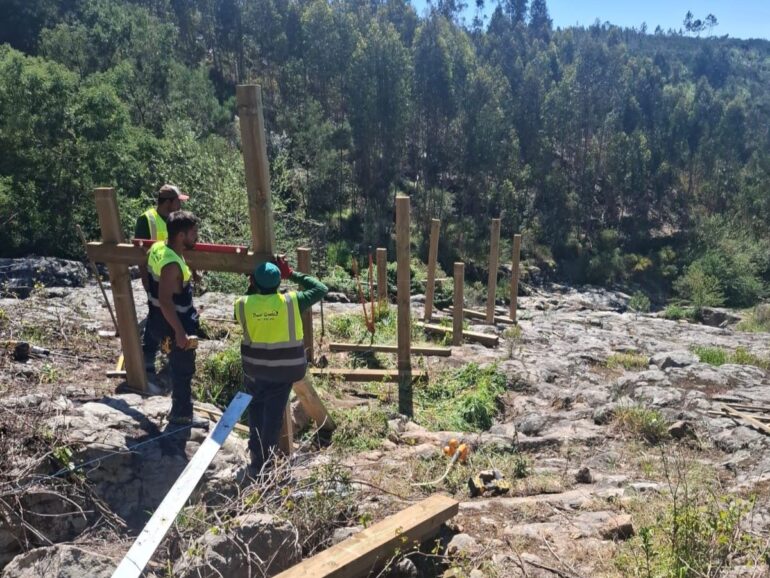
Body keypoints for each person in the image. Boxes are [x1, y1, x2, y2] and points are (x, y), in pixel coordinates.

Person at [234, 256, 328, 477]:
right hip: (285, 370)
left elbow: (243, 311)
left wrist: (252, 288)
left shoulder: (242, 304)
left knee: (256, 409)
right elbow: (320, 288)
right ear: (278, 284)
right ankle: (266, 462)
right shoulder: (292, 301)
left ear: (253, 283)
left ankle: (257, 458)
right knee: (274, 415)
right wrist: (291, 273)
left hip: (256, 369)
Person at [146, 210, 207, 428]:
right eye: (193, 233)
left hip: (158, 322)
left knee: (173, 360)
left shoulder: (158, 248)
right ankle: (181, 416)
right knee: (183, 369)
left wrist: (189, 273)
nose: (196, 237)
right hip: (174, 324)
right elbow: (166, 300)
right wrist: (180, 332)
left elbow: (147, 272)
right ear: (181, 236)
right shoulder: (171, 265)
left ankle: (179, 407)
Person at [134, 185, 189, 387]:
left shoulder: (176, 220)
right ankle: (148, 356)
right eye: (178, 201)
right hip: (156, 277)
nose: (180, 204)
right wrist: (145, 278)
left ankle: (167, 355)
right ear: (168, 202)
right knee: (156, 317)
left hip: (173, 278)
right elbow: (139, 251)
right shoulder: (147, 219)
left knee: (171, 319)